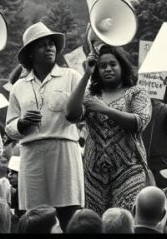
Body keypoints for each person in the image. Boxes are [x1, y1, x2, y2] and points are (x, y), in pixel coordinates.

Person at [5, 22, 84, 230]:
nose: (49, 47)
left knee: (68, 212)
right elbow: (9, 127)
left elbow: (80, 114)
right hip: (32, 154)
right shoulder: (18, 87)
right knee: (35, 216)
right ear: (30, 53)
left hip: (64, 150)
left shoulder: (72, 77)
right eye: (42, 45)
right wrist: (21, 124)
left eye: (51, 44)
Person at [66, 44, 151, 216]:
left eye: (113, 64)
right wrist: (87, 75)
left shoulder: (137, 92)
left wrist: (106, 109)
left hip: (128, 172)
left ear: (122, 66)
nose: (108, 69)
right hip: (94, 176)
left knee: (121, 221)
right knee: (96, 224)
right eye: (102, 66)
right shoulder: (91, 95)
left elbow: (139, 122)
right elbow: (71, 114)